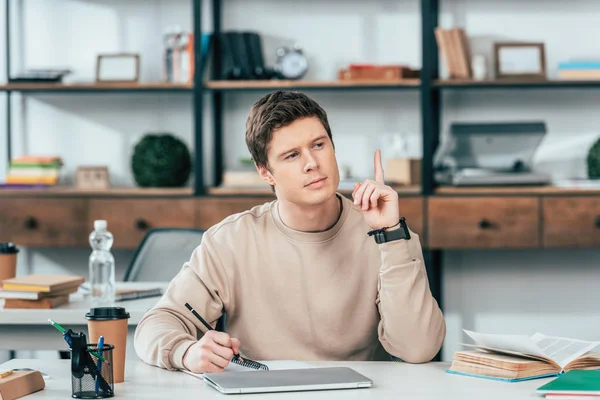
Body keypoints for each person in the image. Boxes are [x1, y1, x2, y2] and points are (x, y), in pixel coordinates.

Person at [134, 90, 446, 373]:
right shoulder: (230, 241)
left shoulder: (389, 235)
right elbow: (156, 324)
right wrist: (186, 351)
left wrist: (389, 235)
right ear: (265, 171)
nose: (312, 163)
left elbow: (418, 349)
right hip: (263, 393)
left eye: (319, 145)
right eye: (292, 155)